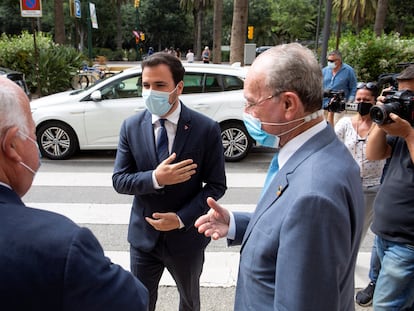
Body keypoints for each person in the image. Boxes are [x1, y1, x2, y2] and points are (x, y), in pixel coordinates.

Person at [195, 43, 364, 310]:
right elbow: (289, 227)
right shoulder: (315, 151)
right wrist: (237, 224)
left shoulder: (314, 194)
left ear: (288, 103)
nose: (246, 113)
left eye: (251, 103)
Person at [0, 76, 149, 310]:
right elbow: (133, 300)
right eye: (32, 132)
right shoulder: (59, 246)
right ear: (11, 146)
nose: (37, 143)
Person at [112, 52, 226, 311]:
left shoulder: (205, 128)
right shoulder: (131, 127)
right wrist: (155, 178)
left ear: (179, 87)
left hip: (186, 240)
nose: (151, 92)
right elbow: (119, 180)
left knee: (189, 302)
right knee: (140, 303)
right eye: (145, 85)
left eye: (160, 85)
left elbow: (217, 185)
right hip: (144, 239)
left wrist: (180, 218)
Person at [327, 82, 385, 307]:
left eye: (366, 101)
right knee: (346, 233)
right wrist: (330, 115)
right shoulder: (346, 124)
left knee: (359, 235)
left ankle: (365, 280)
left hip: (373, 187)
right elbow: (330, 142)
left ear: (375, 102)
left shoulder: (381, 125)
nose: (361, 104)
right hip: (347, 185)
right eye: (358, 100)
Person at [365, 64, 414, 310]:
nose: (403, 102)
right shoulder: (404, 125)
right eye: (400, 94)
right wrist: (381, 116)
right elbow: (373, 153)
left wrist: (409, 135)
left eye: (409, 97)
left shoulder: (408, 130)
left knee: (386, 306)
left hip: (407, 243)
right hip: (385, 234)